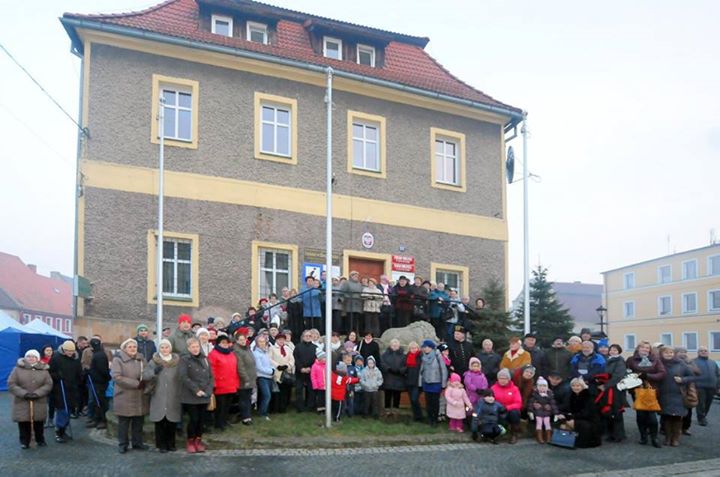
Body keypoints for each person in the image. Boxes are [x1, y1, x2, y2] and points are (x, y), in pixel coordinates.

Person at [8, 349, 53, 449]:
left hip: (38, 400)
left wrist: (38, 393)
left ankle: (40, 439)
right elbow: (11, 384)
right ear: (25, 357)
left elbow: (48, 384)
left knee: (38, 422)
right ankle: (24, 441)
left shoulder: (44, 370)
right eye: (28, 356)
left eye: (33, 356)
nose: (31, 358)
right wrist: (24, 394)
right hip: (22, 400)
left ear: (37, 358)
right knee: (24, 422)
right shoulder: (17, 370)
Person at [626, 340, 666, 448]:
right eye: (643, 347)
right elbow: (626, 372)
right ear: (638, 349)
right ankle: (643, 436)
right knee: (640, 415)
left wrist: (648, 376)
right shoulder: (631, 360)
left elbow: (662, 373)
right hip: (637, 390)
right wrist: (634, 377)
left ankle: (654, 438)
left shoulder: (655, 360)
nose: (645, 350)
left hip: (651, 390)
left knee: (651, 416)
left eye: (647, 348)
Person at [111, 338, 148, 454]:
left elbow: (146, 372)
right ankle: (123, 444)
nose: (133, 349)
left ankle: (137, 442)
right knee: (124, 423)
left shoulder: (141, 359)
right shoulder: (118, 360)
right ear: (125, 348)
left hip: (139, 396)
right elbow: (117, 377)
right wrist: (136, 384)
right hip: (124, 395)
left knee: (138, 422)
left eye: (134, 347)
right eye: (130, 347)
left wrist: (147, 380)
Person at [144, 339, 181, 453]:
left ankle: (171, 443)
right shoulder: (153, 361)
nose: (164, 350)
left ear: (170, 349)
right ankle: (161, 444)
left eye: (167, 347)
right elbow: (145, 375)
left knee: (172, 421)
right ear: (159, 349)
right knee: (160, 422)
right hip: (158, 394)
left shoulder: (177, 361)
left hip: (173, 394)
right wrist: (154, 371)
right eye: (162, 347)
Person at [179, 337, 214, 454]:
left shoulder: (205, 359)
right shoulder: (185, 360)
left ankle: (198, 440)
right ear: (188, 348)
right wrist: (196, 389)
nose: (195, 349)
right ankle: (190, 441)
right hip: (191, 395)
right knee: (193, 419)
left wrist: (208, 391)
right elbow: (184, 377)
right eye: (192, 347)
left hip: (204, 395)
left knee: (201, 420)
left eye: (197, 346)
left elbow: (211, 377)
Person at [658, 345, 695, 446]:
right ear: (661, 354)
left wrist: (683, 380)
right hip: (664, 394)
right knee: (666, 417)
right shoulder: (658, 363)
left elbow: (692, 376)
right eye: (666, 352)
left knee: (678, 417)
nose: (668, 354)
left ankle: (675, 438)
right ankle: (667, 437)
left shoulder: (681, 364)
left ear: (674, 354)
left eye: (671, 353)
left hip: (678, 394)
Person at [49, 340, 82, 443]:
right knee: (62, 410)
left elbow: (78, 373)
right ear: (63, 349)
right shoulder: (56, 358)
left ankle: (63, 430)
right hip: (60, 388)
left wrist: (81, 377)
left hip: (72, 388)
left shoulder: (75, 359)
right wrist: (57, 376)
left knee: (69, 410)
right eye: (68, 351)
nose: (70, 353)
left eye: (71, 351)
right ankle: (59, 431)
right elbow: (49, 372)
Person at [208, 335, 239, 431]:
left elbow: (235, 369)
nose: (225, 345)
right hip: (220, 385)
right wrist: (214, 384)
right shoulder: (213, 354)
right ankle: (219, 423)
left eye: (227, 343)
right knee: (220, 406)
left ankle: (224, 421)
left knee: (227, 405)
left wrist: (236, 383)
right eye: (223, 343)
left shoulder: (231, 354)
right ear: (218, 343)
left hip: (231, 384)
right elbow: (211, 370)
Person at [564, 377, 602, 448]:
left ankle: (580, 441)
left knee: (573, 423)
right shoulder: (572, 395)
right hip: (580, 418)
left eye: (578, 386)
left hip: (590, 421)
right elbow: (567, 408)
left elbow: (586, 413)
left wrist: (572, 418)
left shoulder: (588, 396)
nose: (575, 388)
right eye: (573, 386)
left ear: (582, 386)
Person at [419, 340, 448, 427]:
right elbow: (421, 370)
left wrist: (443, 384)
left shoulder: (437, 355)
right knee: (428, 402)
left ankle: (435, 419)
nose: (425, 349)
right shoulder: (424, 356)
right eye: (424, 347)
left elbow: (443, 369)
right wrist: (420, 382)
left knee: (435, 402)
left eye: (426, 347)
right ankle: (430, 419)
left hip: (436, 382)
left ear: (431, 347)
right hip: (426, 382)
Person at [602, 343, 627, 442]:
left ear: (619, 351)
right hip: (609, 389)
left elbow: (618, 376)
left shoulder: (620, 361)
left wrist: (605, 385)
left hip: (615, 390)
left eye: (615, 350)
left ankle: (618, 434)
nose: (612, 351)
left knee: (617, 411)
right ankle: (611, 433)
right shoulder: (609, 360)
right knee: (609, 411)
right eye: (611, 349)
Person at [491, 368, 523, 444]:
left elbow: (518, 403)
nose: (502, 380)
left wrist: (507, 408)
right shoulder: (493, 388)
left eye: (505, 378)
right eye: (500, 378)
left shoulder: (514, 389)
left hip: (509, 410)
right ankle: (497, 433)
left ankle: (514, 434)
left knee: (514, 413)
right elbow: (490, 400)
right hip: (497, 409)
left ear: (508, 379)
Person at [232, 328, 256, 425]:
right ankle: (245, 417)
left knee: (248, 398)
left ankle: (248, 415)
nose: (243, 341)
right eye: (240, 340)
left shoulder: (247, 348)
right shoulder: (237, 351)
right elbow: (240, 366)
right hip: (243, 379)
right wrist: (245, 378)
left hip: (251, 377)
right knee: (243, 399)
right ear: (237, 341)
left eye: (244, 339)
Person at [527, 377, 561, 444]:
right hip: (538, 412)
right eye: (540, 386)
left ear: (547, 387)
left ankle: (548, 437)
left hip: (547, 413)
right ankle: (539, 437)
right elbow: (530, 403)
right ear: (537, 386)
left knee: (547, 423)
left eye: (544, 386)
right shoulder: (535, 394)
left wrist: (556, 413)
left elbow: (553, 404)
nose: (542, 387)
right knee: (539, 423)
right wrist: (530, 411)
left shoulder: (550, 395)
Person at [692, 345, 719, 427]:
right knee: (701, 404)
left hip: (712, 387)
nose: (703, 352)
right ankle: (701, 418)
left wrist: (718, 386)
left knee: (708, 403)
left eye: (705, 351)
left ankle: (704, 416)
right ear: (698, 352)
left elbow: (718, 375)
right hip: (699, 386)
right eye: (701, 351)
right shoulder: (693, 362)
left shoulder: (713, 362)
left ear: (708, 352)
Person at [86, 338, 110, 430]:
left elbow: (103, 370)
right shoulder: (98, 354)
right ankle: (97, 419)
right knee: (97, 402)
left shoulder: (99, 355)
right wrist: (89, 371)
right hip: (97, 381)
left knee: (100, 401)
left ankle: (102, 420)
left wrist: (107, 378)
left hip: (100, 382)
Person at [269, 331, 295, 413]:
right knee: (276, 392)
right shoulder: (272, 348)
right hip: (276, 372)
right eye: (279, 339)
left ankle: (283, 408)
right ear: (276, 340)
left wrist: (287, 365)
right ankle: (275, 408)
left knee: (285, 391)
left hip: (286, 372)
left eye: (283, 339)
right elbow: (270, 359)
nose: (281, 341)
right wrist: (277, 366)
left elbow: (292, 359)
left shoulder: (287, 348)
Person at [293, 330, 317, 413]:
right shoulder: (298, 347)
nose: (307, 337)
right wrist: (301, 368)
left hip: (311, 372)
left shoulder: (315, 347)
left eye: (309, 336)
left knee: (311, 390)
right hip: (300, 372)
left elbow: (316, 360)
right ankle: (300, 408)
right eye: (306, 336)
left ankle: (310, 406)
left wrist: (310, 368)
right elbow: (295, 359)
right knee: (299, 390)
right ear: (303, 337)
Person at [381, 339, 407, 416]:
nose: (395, 346)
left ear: (399, 346)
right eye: (393, 345)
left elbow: (406, 365)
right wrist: (388, 369)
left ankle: (396, 410)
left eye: (396, 345)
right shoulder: (385, 354)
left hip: (399, 378)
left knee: (397, 394)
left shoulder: (403, 355)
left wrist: (400, 370)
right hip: (388, 377)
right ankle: (387, 410)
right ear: (390, 345)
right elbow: (382, 363)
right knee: (387, 394)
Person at [253, 335, 275, 420]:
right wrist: (271, 371)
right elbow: (259, 367)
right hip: (262, 377)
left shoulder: (265, 352)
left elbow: (270, 363)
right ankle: (263, 414)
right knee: (267, 395)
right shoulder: (256, 353)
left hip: (269, 377)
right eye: (260, 341)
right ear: (257, 343)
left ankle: (264, 411)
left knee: (266, 395)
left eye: (263, 341)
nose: (262, 343)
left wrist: (273, 369)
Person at [406, 341, 424, 422]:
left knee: (414, 399)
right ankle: (416, 417)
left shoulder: (420, 357)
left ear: (418, 348)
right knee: (412, 400)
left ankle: (419, 416)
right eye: (412, 348)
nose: (413, 349)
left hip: (417, 382)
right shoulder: (407, 356)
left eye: (415, 348)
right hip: (409, 381)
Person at [40, 344, 55, 427]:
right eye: (47, 350)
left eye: (51, 350)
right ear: (44, 351)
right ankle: (44, 420)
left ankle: (51, 419)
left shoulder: (55, 360)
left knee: (52, 403)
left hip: (53, 384)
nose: (49, 352)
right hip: (43, 385)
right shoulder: (40, 361)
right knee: (43, 404)